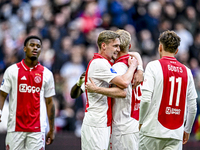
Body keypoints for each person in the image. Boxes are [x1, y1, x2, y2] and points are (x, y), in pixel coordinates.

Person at [139, 30, 197, 150]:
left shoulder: (153, 66)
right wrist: (187, 130)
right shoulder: (187, 71)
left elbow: (145, 100)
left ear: (160, 47)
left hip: (151, 131)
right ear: (177, 51)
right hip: (175, 134)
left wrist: (140, 122)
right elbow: (193, 106)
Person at [85, 29, 143, 150]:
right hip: (123, 123)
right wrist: (138, 67)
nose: (117, 49)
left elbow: (123, 88)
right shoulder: (132, 65)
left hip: (121, 126)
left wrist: (96, 89)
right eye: (115, 46)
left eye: (118, 46)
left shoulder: (119, 67)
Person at [0, 35, 56, 150]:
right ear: (24, 48)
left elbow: (50, 102)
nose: (35, 48)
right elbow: (2, 94)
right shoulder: (12, 71)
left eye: (38, 46)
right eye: (32, 45)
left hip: (37, 129)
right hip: (15, 128)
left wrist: (51, 129)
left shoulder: (47, 74)